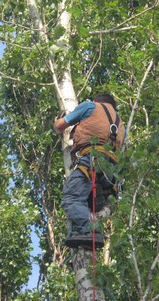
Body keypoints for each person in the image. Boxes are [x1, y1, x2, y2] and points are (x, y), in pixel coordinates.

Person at [54, 93, 125, 248]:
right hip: (111, 171)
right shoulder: (121, 125)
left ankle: (88, 231)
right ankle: (85, 231)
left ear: (96, 101)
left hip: (91, 160)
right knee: (89, 202)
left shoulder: (90, 106)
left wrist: (59, 123)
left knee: (72, 198)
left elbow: (60, 126)